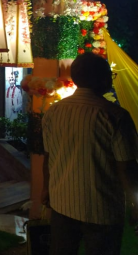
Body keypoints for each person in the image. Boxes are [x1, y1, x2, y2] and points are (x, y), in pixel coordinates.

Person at [41, 53, 138, 255]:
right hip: (102, 208)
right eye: (110, 75)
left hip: (62, 203)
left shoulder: (53, 112)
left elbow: (48, 156)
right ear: (103, 79)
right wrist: (136, 204)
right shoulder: (115, 116)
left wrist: (46, 189)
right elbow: (126, 167)